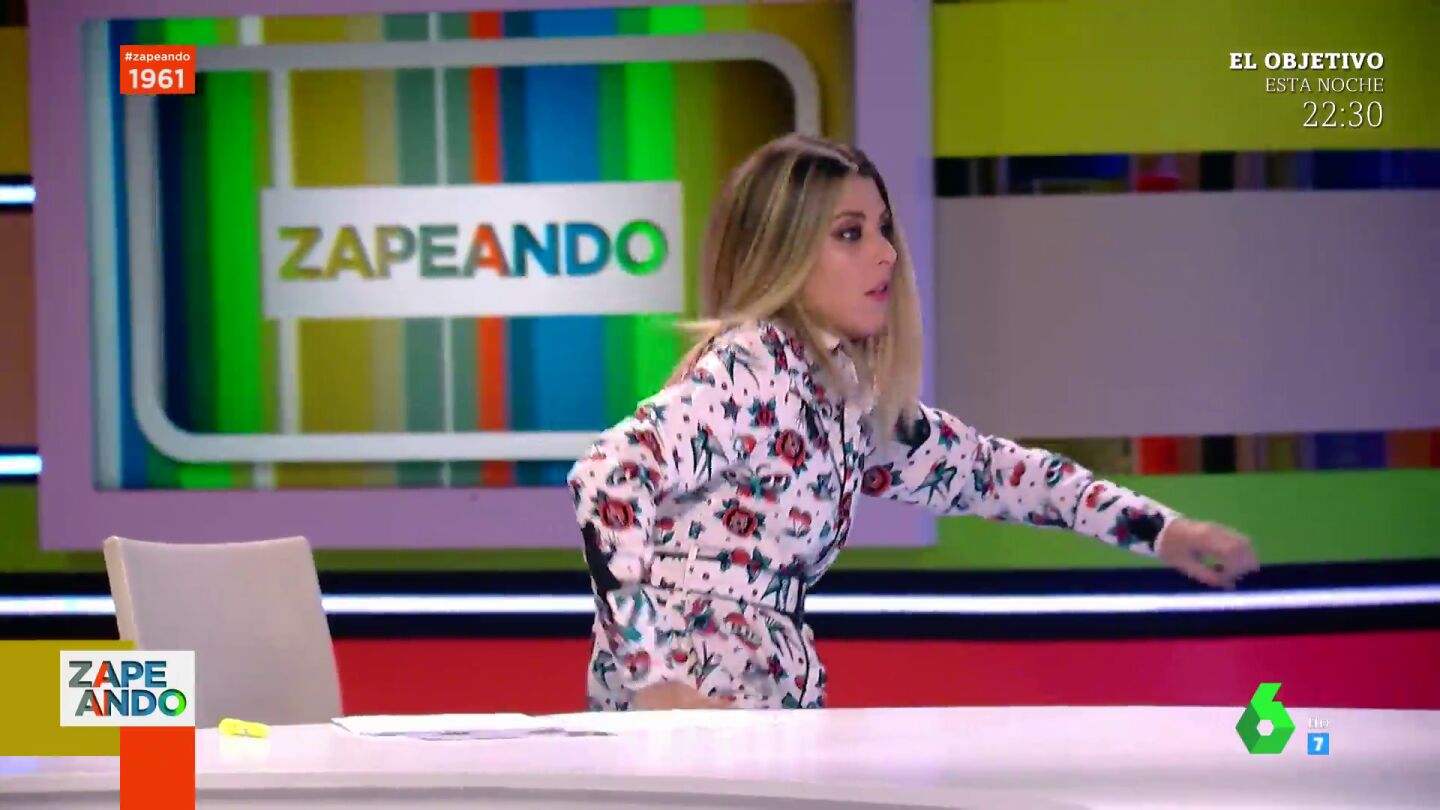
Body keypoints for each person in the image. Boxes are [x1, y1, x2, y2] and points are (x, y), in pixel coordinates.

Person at [566, 133, 1260, 712]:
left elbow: (992, 472)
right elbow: (609, 474)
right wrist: (651, 674)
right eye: (850, 233)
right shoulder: (755, 367)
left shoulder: (841, 396)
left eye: (883, 229)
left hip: (758, 689)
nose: (887, 255)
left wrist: (1160, 530)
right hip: (694, 700)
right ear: (784, 250)